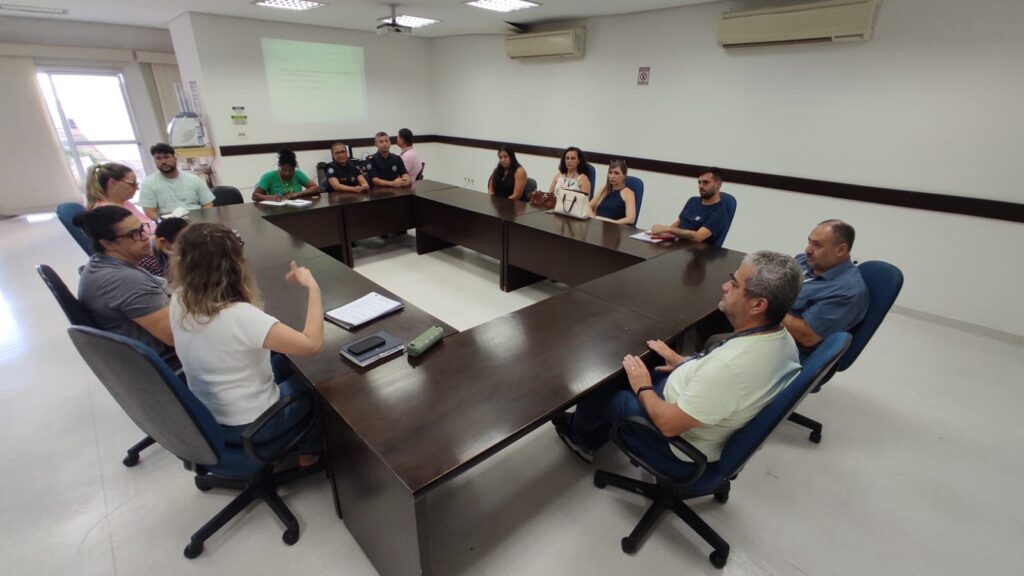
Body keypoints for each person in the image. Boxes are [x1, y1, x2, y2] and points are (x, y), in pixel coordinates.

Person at [553, 251, 803, 467]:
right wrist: (682, 361)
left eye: (734, 284)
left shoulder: (729, 368)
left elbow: (668, 425)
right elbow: (722, 381)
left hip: (678, 445)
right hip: (702, 406)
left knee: (600, 386)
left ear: (758, 305)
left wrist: (642, 386)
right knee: (638, 363)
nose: (725, 287)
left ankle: (582, 439)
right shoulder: (782, 339)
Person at [169, 223, 323, 464]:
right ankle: (309, 453)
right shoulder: (238, 315)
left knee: (283, 360)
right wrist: (312, 287)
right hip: (252, 425)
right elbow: (311, 344)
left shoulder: (179, 297)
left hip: (207, 417)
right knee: (319, 384)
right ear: (234, 264)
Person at [74, 205, 174, 356]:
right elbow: (173, 336)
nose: (145, 237)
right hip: (168, 353)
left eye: (142, 228)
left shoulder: (102, 262)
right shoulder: (124, 281)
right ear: (107, 243)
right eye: (134, 234)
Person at [784, 220, 869, 352]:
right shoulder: (803, 261)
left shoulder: (848, 291)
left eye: (817, 245)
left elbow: (808, 336)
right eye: (809, 242)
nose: (808, 250)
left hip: (786, 345)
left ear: (841, 250)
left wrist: (768, 309)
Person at [84, 162, 164, 276]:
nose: (136, 187)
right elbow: (132, 246)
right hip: (140, 262)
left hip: (151, 251)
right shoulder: (106, 213)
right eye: (132, 183)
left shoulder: (124, 203)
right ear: (112, 183)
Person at [650, 167, 729, 245]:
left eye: (705, 182)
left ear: (718, 184)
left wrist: (668, 229)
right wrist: (663, 233)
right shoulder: (692, 201)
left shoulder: (720, 212)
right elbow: (679, 222)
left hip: (695, 252)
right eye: (699, 182)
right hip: (676, 245)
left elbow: (698, 237)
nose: (701, 186)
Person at [139, 143, 214, 219]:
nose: (163, 161)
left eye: (167, 157)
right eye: (158, 158)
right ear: (154, 161)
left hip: (195, 222)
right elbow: (150, 212)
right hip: (169, 224)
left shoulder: (194, 179)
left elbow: (207, 204)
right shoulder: (148, 184)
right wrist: (165, 223)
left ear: (175, 158)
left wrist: (203, 221)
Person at [252, 148, 320, 202]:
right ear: (279, 167)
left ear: (294, 168)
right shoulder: (269, 176)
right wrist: (270, 197)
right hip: (275, 212)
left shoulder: (298, 174)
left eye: (290, 170)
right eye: (284, 170)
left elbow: (316, 188)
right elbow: (255, 196)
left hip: (297, 210)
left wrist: (298, 194)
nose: (287, 173)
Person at [589, 159, 637, 225]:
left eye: (616, 173)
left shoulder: (628, 193)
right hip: (599, 227)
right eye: (610, 172)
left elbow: (631, 219)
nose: (612, 176)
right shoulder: (605, 189)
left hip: (615, 229)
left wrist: (611, 223)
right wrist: (593, 218)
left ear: (624, 176)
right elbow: (589, 206)